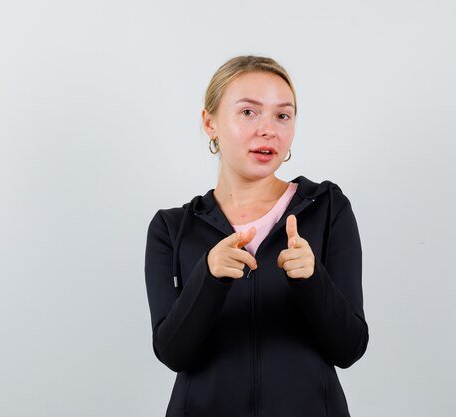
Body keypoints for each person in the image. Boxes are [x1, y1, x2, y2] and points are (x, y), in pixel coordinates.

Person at [144, 55, 368, 417]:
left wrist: (312, 279)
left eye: (283, 115)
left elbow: (349, 349)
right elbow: (173, 353)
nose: (269, 130)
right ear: (210, 122)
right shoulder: (171, 228)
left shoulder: (327, 208)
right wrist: (209, 276)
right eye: (249, 112)